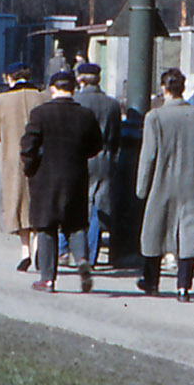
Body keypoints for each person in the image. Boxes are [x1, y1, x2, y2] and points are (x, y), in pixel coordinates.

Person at [135, 69, 194, 299]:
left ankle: (151, 282)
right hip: (191, 182)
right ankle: (183, 287)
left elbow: (148, 156)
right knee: (189, 232)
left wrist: (141, 188)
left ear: (163, 89)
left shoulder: (154, 117)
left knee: (154, 232)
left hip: (162, 183)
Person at [19, 70, 103, 292]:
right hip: (75, 176)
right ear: (74, 89)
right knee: (75, 224)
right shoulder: (85, 115)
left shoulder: (40, 114)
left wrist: (30, 168)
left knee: (46, 226)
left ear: (53, 88)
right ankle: (82, 259)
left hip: (45, 177)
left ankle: (47, 278)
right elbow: (96, 145)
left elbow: (28, 146)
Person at [72, 61, 123, 270]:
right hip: (104, 158)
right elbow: (116, 136)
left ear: (80, 79)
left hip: (79, 158)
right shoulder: (112, 104)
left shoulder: (75, 101)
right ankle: (90, 255)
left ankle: (72, 250)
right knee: (97, 208)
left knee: (77, 205)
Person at [0, 64, 42, 271]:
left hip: (14, 158)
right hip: (40, 157)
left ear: (8, 78)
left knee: (18, 203)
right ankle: (39, 248)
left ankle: (25, 251)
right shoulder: (42, 96)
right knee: (37, 202)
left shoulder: (1, 100)